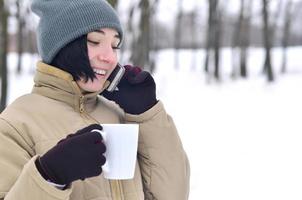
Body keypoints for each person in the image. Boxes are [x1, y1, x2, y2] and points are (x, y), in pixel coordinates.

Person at [0, 0, 190, 199]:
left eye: (115, 45)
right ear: (61, 46)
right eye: (95, 41)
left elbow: (173, 194)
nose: (110, 57)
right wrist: (49, 176)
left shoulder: (119, 114)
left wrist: (147, 114)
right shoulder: (14, 125)